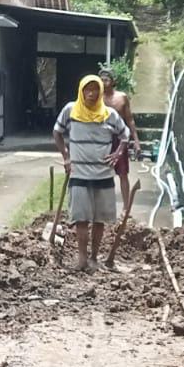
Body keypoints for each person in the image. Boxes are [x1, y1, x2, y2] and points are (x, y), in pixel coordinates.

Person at [53, 75, 130, 272]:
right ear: (81, 91)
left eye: (95, 90)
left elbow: (125, 134)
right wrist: (66, 157)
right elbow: (57, 131)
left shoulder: (110, 114)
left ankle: (95, 259)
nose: (91, 93)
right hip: (79, 174)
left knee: (99, 219)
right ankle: (81, 259)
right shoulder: (70, 111)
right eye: (87, 89)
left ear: (100, 92)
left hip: (103, 175)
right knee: (81, 218)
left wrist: (118, 153)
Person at [99, 67, 141, 215]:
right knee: (101, 172)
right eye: (102, 79)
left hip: (120, 138)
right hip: (102, 139)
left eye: (107, 79)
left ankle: (126, 208)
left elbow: (130, 120)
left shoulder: (122, 97)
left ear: (113, 81)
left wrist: (136, 141)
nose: (104, 82)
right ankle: (101, 206)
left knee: (123, 173)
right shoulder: (97, 97)